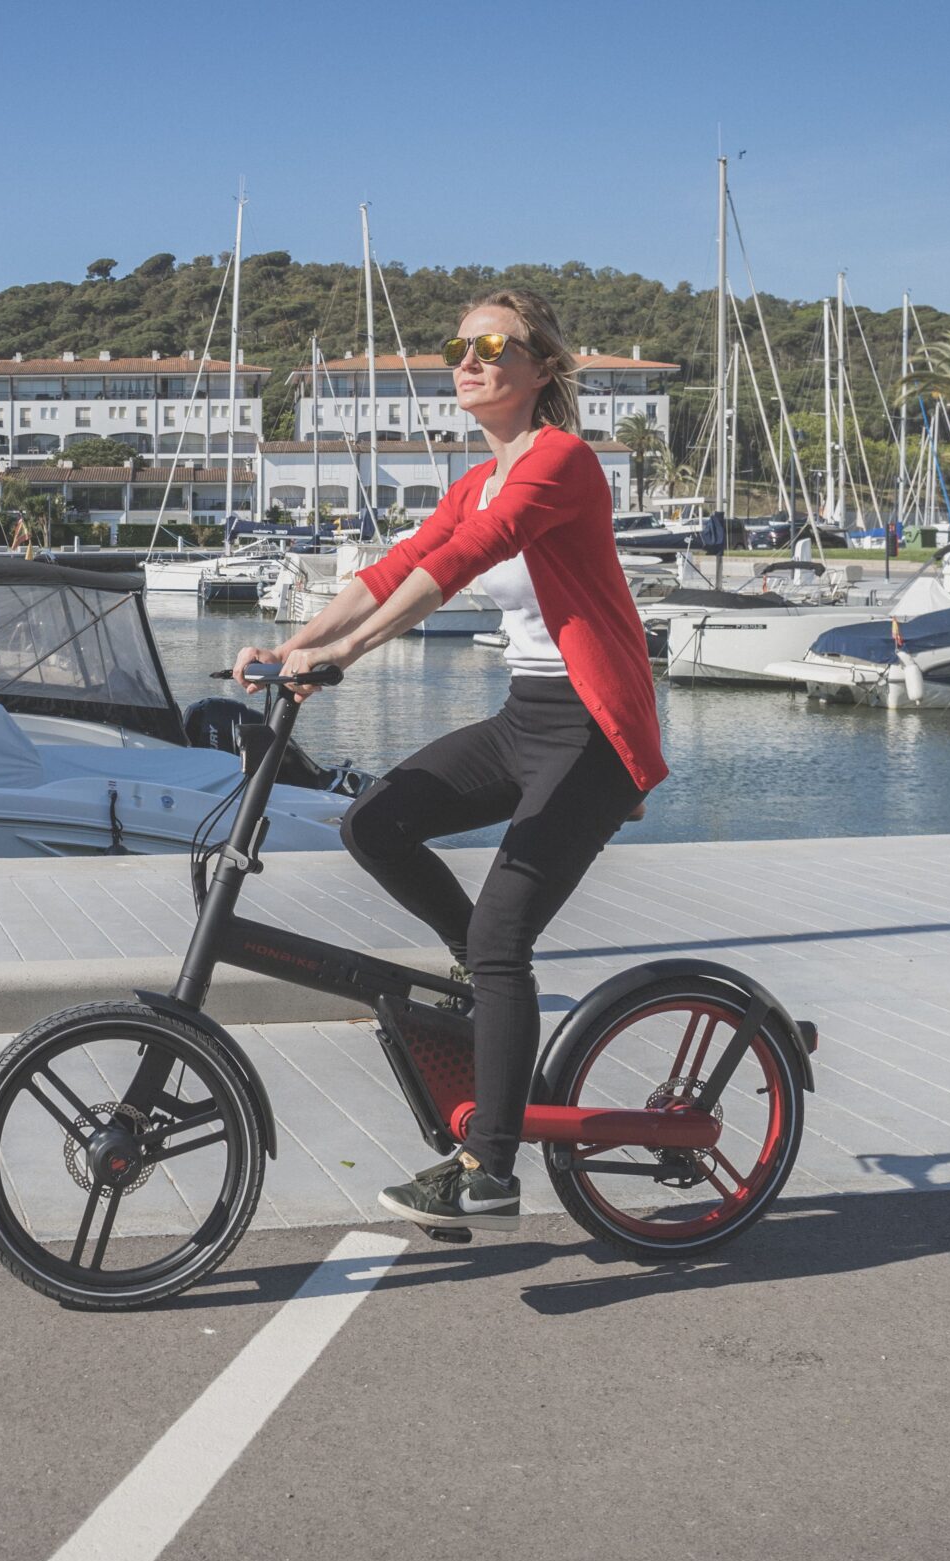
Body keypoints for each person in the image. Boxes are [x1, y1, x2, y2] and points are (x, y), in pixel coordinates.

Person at [236, 290, 666, 1232]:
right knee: (374, 823)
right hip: (526, 717)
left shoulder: (561, 461)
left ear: (541, 367)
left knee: (505, 937)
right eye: (457, 347)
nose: (467, 361)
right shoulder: (476, 480)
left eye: (491, 345)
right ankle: (481, 976)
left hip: (593, 734)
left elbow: (468, 559)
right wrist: (292, 646)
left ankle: (490, 1168)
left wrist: (347, 656)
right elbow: (396, 567)